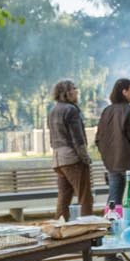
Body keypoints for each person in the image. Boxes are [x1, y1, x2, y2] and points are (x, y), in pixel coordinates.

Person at [95, 77, 130, 221]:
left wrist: (107, 157)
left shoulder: (107, 111)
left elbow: (98, 138)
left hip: (112, 164)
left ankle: (109, 228)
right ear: (124, 92)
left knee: (113, 200)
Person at [47, 78, 93, 220]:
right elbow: (77, 139)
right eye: (73, 88)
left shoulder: (52, 111)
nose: (76, 91)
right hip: (73, 159)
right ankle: (88, 228)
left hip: (58, 160)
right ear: (66, 92)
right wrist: (85, 158)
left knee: (64, 198)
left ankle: (59, 228)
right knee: (85, 196)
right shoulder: (71, 110)